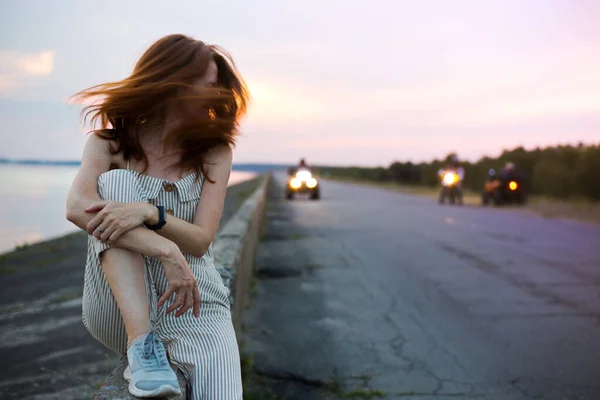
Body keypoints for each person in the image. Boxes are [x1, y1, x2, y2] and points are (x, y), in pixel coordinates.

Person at [66, 34, 249, 399]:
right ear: (174, 84)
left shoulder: (215, 151)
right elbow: (76, 208)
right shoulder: (109, 144)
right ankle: (141, 343)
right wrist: (165, 251)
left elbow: (200, 240)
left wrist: (150, 211)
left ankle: (151, 352)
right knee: (116, 184)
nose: (218, 97)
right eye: (209, 86)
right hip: (118, 306)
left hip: (195, 303)